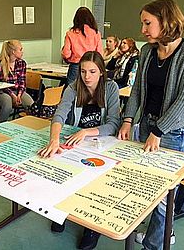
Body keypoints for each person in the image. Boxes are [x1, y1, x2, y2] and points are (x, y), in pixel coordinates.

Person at [117, 0, 184, 250]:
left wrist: (158, 130)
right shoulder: (146, 51)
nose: (143, 30)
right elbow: (136, 91)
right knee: (147, 185)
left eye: (148, 23)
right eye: (142, 23)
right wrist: (127, 119)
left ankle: (156, 244)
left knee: (165, 194)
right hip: (146, 125)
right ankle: (163, 232)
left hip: (172, 132)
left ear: (166, 21)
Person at [39, 51, 120, 250]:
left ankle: (91, 228)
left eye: (92, 71)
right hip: (75, 141)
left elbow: (113, 124)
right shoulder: (73, 88)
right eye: (83, 71)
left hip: (101, 142)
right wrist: (54, 140)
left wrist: (86, 132)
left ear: (101, 72)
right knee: (63, 171)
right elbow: (59, 115)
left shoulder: (110, 88)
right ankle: (62, 211)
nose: (87, 76)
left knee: (96, 178)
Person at [0, 40, 34, 122]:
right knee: (7, 106)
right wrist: (13, 96)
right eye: (20, 49)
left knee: (31, 105)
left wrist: (19, 94)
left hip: (18, 91)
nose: (22, 52)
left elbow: (22, 81)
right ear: (13, 52)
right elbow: (2, 84)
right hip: (4, 91)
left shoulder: (22, 63)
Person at [61, 7, 103, 85]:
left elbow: (66, 54)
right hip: (91, 65)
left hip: (76, 66)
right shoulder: (96, 33)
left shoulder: (70, 33)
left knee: (72, 91)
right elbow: (99, 53)